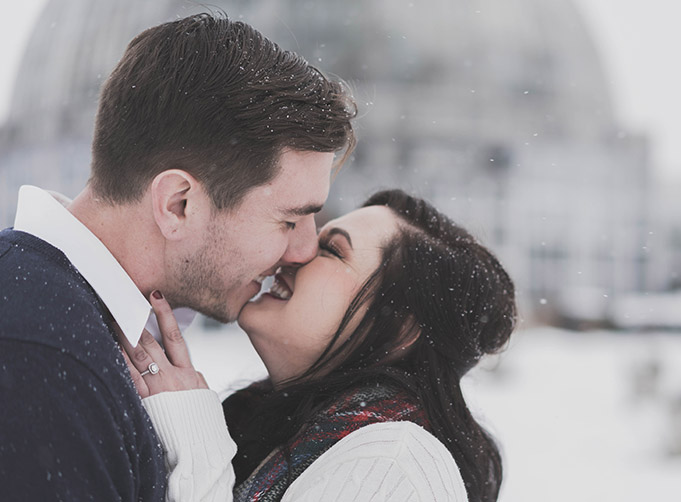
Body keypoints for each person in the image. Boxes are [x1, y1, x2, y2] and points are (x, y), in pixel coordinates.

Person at [0, 14, 356, 501]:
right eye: (289, 220)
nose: (304, 251)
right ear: (178, 205)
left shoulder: (63, 329)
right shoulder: (39, 359)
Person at [122, 190, 517, 502]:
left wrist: (196, 448)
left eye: (331, 250)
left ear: (400, 329)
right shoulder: (275, 428)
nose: (297, 253)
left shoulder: (391, 466)